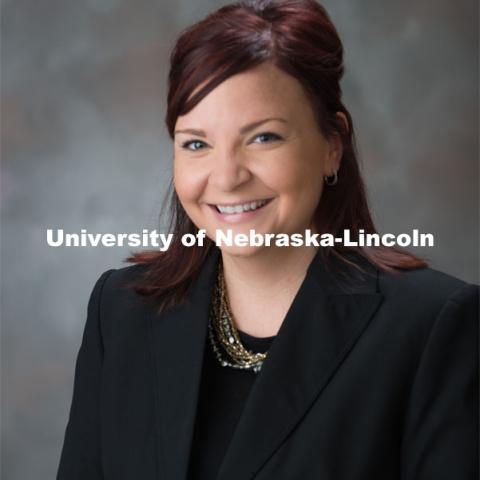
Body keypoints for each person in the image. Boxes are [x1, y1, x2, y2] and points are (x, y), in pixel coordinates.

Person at [56, 1, 478, 479]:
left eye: (263, 138)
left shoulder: (433, 326)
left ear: (332, 145)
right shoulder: (120, 309)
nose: (227, 177)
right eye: (196, 143)